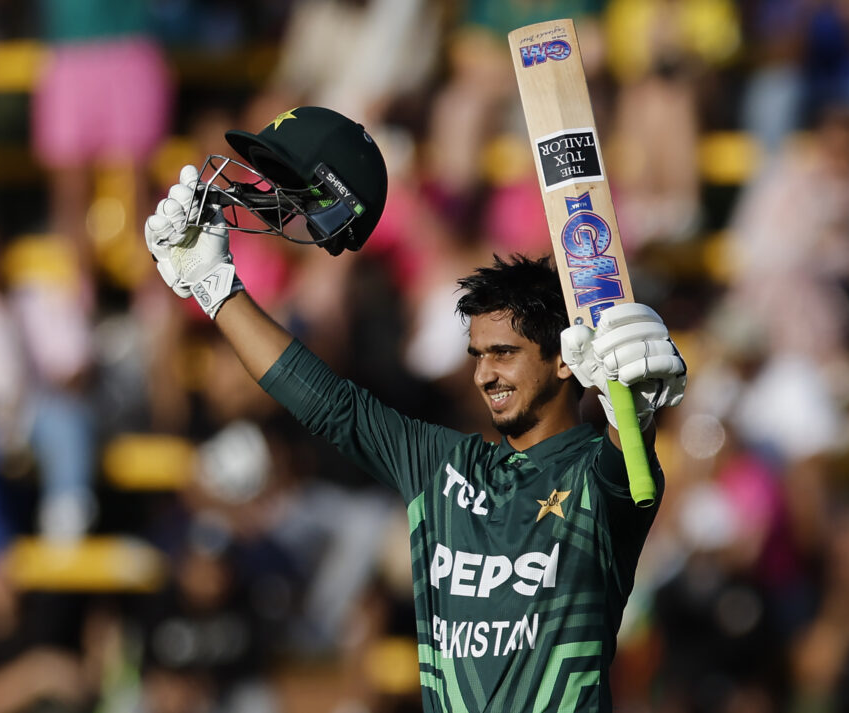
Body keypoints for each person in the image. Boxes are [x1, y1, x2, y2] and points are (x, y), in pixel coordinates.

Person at [142, 106, 687, 713]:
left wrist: (632, 407)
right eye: (478, 354)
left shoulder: (595, 480)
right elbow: (325, 402)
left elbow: (630, 463)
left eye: (504, 354)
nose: (484, 374)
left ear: (564, 361)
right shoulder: (440, 465)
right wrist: (215, 286)